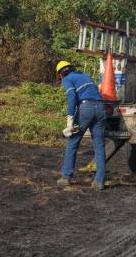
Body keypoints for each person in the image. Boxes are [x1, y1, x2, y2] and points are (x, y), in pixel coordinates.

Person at [55, 60, 106, 189]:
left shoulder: (67, 79)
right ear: (71, 68)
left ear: (61, 74)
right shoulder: (84, 75)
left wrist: (70, 121)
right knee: (99, 146)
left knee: (73, 142)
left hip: (85, 109)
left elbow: (72, 97)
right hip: (100, 108)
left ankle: (66, 177)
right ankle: (99, 181)